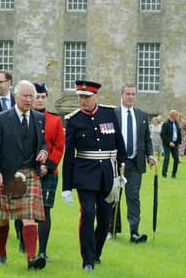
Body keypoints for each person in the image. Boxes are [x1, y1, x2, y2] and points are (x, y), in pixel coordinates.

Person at [0, 80, 48, 270]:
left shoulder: (38, 118)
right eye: (25, 96)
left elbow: (42, 143)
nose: (28, 100)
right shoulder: (2, 118)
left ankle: (31, 259)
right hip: (6, 172)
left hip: (29, 172)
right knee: (2, 216)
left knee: (29, 215)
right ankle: (1, 252)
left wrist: (44, 152)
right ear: (16, 97)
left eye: (31, 97)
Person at [62, 80, 126, 272]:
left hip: (108, 174)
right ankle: (87, 260)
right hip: (84, 175)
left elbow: (119, 145)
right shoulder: (73, 120)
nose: (82, 101)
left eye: (87, 97)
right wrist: (66, 187)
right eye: (80, 97)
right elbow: (69, 156)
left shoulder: (109, 114)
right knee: (88, 214)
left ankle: (96, 253)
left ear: (95, 97)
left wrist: (122, 171)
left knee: (105, 219)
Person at [113, 83, 156, 244]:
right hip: (117, 162)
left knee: (133, 197)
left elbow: (147, 140)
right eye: (127, 94)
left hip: (135, 163)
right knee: (114, 196)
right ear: (122, 95)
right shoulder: (114, 114)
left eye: (133, 94)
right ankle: (112, 229)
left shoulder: (142, 115)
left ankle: (134, 232)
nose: (130, 97)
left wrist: (150, 155)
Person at [32, 82, 65, 262]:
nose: (39, 100)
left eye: (43, 97)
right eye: (37, 96)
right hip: (29, 170)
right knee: (26, 211)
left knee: (44, 211)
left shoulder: (55, 120)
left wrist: (48, 166)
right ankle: (25, 243)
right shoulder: (26, 118)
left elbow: (59, 146)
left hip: (49, 172)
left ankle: (43, 251)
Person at [160, 110, 182, 179]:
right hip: (167, 144)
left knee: (176, 158)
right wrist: (169, 142)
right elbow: (162, 134)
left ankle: (174, 174)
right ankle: (164, 174)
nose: (178, 117)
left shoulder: (176, 123)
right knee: (167, 158)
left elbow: (178, 133)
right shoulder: (166, 123)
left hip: (175, 144)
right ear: (172, 115)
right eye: (177, 115)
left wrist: (179, 142)